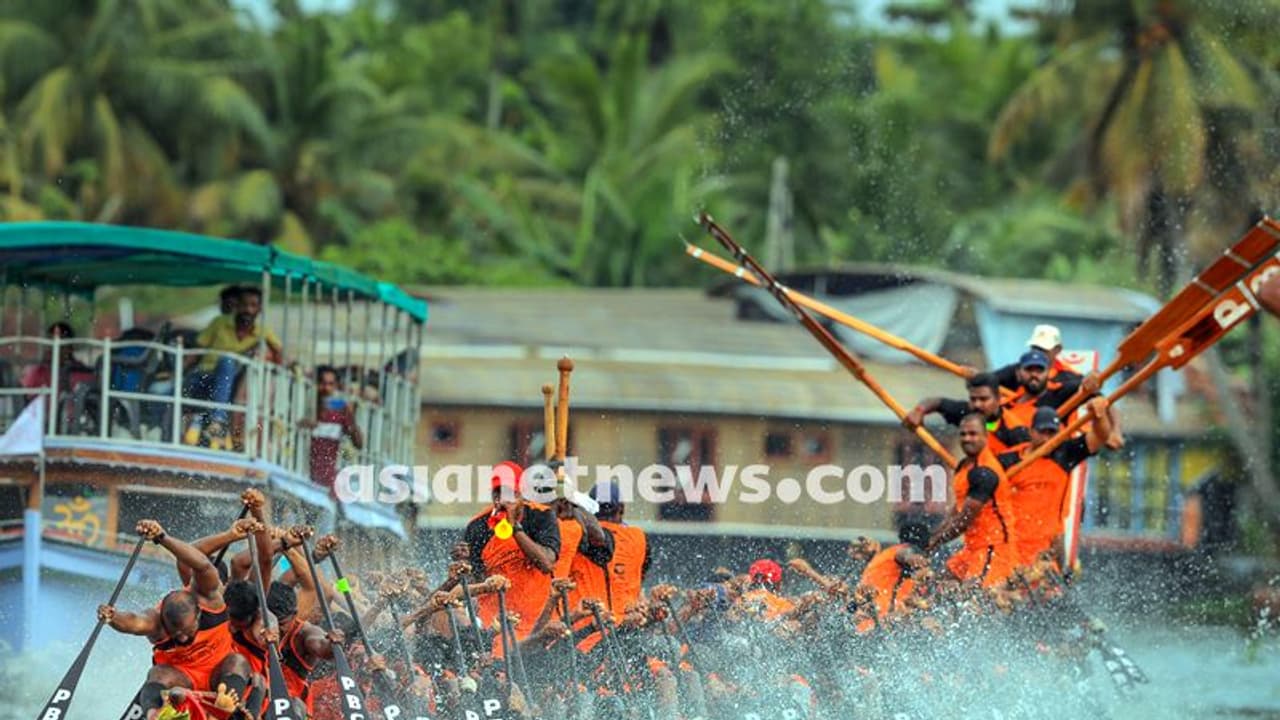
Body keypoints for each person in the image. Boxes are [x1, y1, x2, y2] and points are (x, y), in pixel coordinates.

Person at [98, 520, 258, 720]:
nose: (182, 638)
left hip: (219, 675)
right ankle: (154, 714)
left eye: (188, 631)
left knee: (238, 661)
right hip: (182, 679)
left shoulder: (211, 597)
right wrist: (113, 617)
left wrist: (162, 538)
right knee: (158, 673)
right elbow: (133, 622)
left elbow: (201, 563)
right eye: (177, 633)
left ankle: (229, 703)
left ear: (199, 613)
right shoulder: (155, 621)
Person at [995, 400, 1114, 566]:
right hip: (1009, 549)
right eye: (1042, 432)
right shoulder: (1007, 460)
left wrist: (1100, 415)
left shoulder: (1065, 454)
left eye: (1052, 433)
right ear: (1031, 432)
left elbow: (1100, 437)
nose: (1047, 438)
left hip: (1045, 553)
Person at [462, 461, 560, 642]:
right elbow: (474, 581)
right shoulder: (477, 527)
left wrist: (515, 527)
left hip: (537, 622)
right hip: (497, 624)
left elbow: (547, 563)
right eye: (497, 493)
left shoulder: (542, 516)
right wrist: (462, 565)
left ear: (521, 494)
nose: (502, 500)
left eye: (509, 493)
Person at [925, 413, 1020, 587]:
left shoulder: (985, 472)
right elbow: (958, 509)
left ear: (985, 436)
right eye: (963, 434)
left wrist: (934, 542)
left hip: (993, 547)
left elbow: (964, 521)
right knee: (936, 587)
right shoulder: (964, 465)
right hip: (972, 548)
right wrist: (933, 534)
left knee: (974, 600)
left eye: (973, 434)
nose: (967, 439)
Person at [184, 286, 283, 448]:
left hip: (234, 387)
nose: (248, 310)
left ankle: (220, 427)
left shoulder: (262, 331)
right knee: (227, 361)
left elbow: (279, 354)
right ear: (237, 306)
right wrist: (178, 373)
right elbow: (195, 352)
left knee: (230, 364)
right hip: (205, 377)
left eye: (253, 305)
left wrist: (267, 355)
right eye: (244, 305)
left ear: (259, 309)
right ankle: (216, 421)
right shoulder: (219, 323)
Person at [904, 372, 1031, 454]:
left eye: (984, 399)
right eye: (973, 399)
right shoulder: (968, 413)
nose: (977, 405)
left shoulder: (1015, 431)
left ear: (998, 399)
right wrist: (919, 411)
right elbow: (937, 402)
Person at [583, 480, 650, 616]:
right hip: (631, 622)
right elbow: (642, 574)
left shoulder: (580, 535)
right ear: (622, 508)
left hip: (591, 625)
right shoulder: (639, 537)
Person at [300, 365, 364, 498]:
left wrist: (351, 418)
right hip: (300, 478)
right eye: (323, 383)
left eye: (330, 384)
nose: (326, 388)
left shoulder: (338, 407)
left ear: (336, 386)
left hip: (326, 487)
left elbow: (358, 443)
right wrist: (304, 424)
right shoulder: (301, 401)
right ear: (315, 384)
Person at [858, 519, 930, 619]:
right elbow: (904, 553)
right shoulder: (905, 551)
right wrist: (910, 557)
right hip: (881, 621)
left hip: (868, 620)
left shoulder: (885, 555)